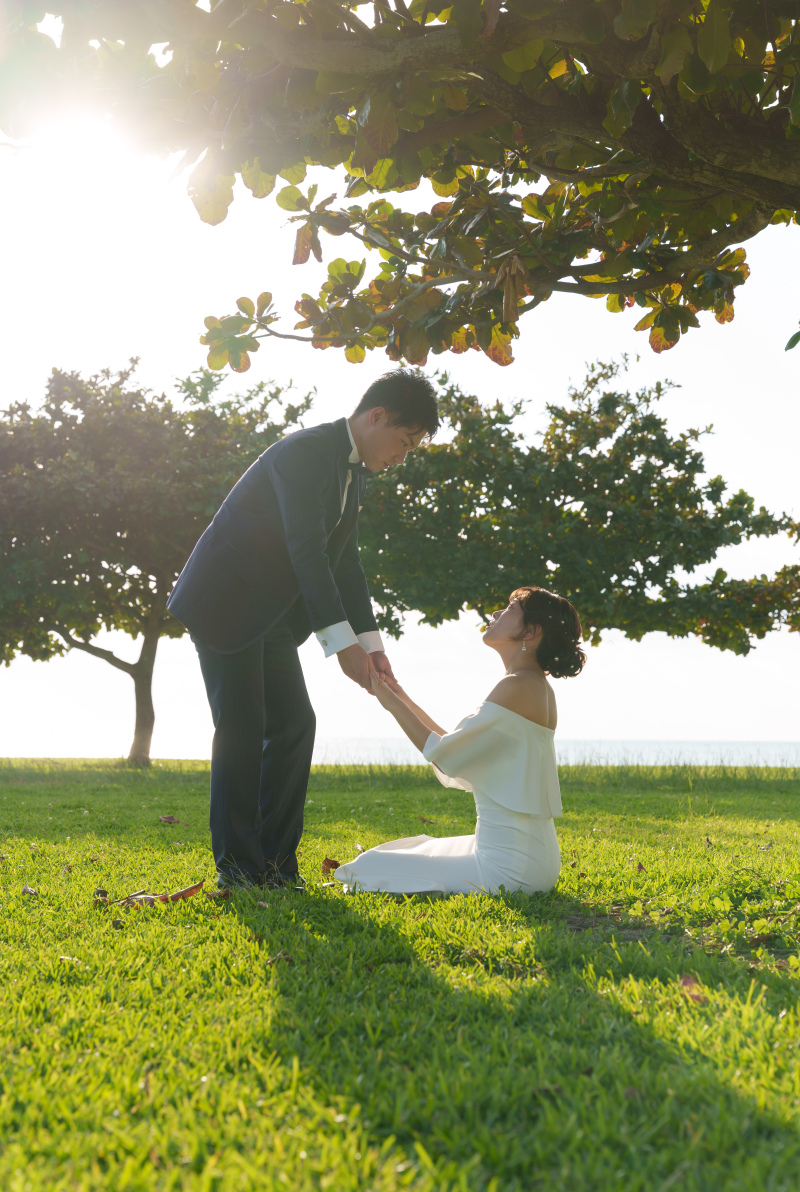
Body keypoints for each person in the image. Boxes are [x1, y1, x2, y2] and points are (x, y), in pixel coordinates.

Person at [168, 370, 440, 890]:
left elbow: (345, 564)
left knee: (295, 724)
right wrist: (339, 645)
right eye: (404, 442)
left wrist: (371, 644)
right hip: (225, 603)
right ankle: (238, 867)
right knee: (242, 728)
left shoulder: (351, 472)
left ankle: (275, 864)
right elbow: (306, 551)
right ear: (376, 416)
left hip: (268, 615)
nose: (403, 456)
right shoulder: (306, 452)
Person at [334, 586, 586, 896]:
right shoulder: (533, 685)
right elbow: (454, 746)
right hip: (534, 861)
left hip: (506, 870)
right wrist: (399, 695)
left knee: (365, 868)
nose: (495, 614)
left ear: (531, 632)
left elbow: (443, 754)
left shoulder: (517, 686)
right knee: (414, 850)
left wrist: (389, 701)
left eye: (509, 609)